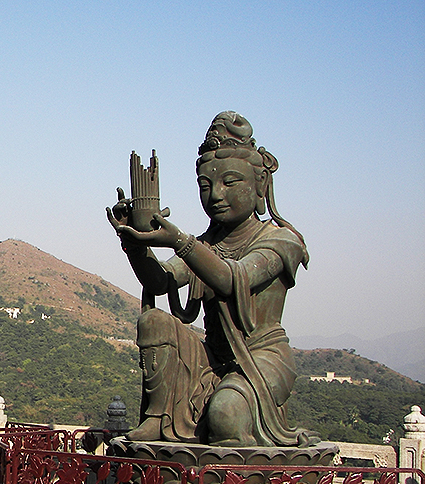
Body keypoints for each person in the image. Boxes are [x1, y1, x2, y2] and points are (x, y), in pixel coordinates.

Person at [107, 112, 316, 447]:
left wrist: (180, 241)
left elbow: (235, 279)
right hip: (211, 356)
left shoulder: (280, 241)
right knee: (154, 321)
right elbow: (161, 282)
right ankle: (156, 418)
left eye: (229, 183)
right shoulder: (206, 245)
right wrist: (134, 244)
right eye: (206, 186)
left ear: (258, 185)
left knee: (225, 416)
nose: (216, 195)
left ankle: (238, 480)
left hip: (262, 357)